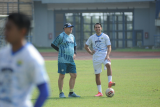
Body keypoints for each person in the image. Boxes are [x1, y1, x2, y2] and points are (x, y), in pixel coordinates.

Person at [0, 13, 49, 107]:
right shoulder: (2, 54)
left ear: (22, 31)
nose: (5, 32)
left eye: (9, 28)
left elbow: (44, 91)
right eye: (5, 28)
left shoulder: (31, 57)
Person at [84, 23, 115, 97]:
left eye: (99, 27)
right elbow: (86, 46)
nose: (97, 28)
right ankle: (100, 92)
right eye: (96, 27)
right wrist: (91, 52)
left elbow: (109, 47)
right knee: (97, 75)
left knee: (108, 65)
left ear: (101, 28)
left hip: (104, 56)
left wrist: (107, 55)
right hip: (96, 58)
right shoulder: (92, 37)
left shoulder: (105, 36)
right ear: (94, 29)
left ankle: (109, 82)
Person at [51, 23, 80, 98]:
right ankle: (61, 93)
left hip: (71, 60)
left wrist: (75, 53)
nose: (71, 29)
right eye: (69, 27)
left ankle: (71, 93)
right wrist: (59, 50)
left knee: (74, 75)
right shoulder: (61, 36)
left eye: (71, 27)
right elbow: (53, 44)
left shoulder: (72, 36)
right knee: (62, 75)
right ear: (65, 28)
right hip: (62, 60)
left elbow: (75, 45)